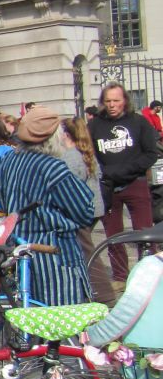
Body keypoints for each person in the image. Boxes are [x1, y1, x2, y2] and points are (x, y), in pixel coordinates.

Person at [0, 105, 94, 305]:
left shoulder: (6, 161)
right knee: (60, 322)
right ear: (53, 138)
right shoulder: (53, 168)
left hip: (18, 251)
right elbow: (84, 212)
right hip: (53, 255)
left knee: (27, 315)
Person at [88, 83, 160, 286]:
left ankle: (149, 275)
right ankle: (120, 276)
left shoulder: (138, 122)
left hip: (135, 182)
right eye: (108, 101)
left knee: (144, 231)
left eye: (116, 101)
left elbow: (151, 154)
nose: (112, 105)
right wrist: (103, 174)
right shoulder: (94, 125)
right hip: (108, 186)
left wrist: (127, 170)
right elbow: (88, 154)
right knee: (114, 234)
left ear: (124, 101)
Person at [61, 117, 116, 305]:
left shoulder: (71, 156)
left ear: (66, 134)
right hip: (94, 208)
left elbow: (69, 186)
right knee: (82, 250)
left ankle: (105, 295)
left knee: (86, 252)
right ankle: (87, 291)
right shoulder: (85, 152)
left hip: (82, 211)